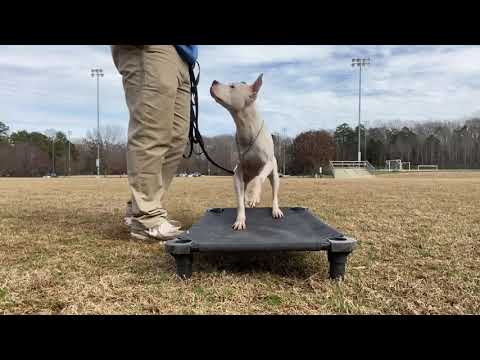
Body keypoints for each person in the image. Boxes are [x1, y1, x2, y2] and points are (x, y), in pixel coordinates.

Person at [111, 45, 198, 241]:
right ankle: (146, 219)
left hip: (184, 55)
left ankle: (140, 207)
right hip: (151, 49)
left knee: (176, 137)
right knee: (152, 131)